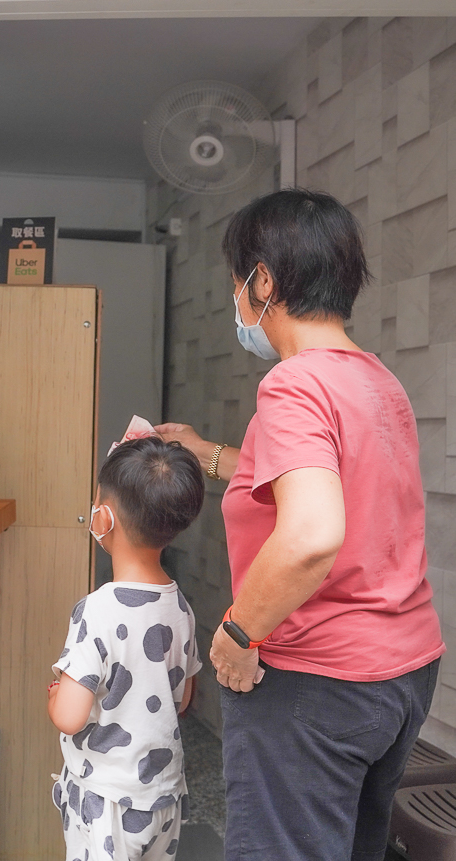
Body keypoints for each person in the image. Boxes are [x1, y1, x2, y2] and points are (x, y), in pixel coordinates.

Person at [154, 188, 445, 861]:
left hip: (318, 681)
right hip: (401, 672)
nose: (237, 303)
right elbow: (332, 486)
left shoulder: (293, 384)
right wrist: (209, 453)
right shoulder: (375, 380)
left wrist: (237, 631)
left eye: (236, 284)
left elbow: (312, 532)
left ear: (262, 281)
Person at [48, 436, 204, 861]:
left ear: (106, 518)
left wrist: (58, 693)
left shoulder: (96, 610)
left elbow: (69, 716)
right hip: (163, 796)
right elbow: (183, 698)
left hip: (106, 800)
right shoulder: (180, 606)